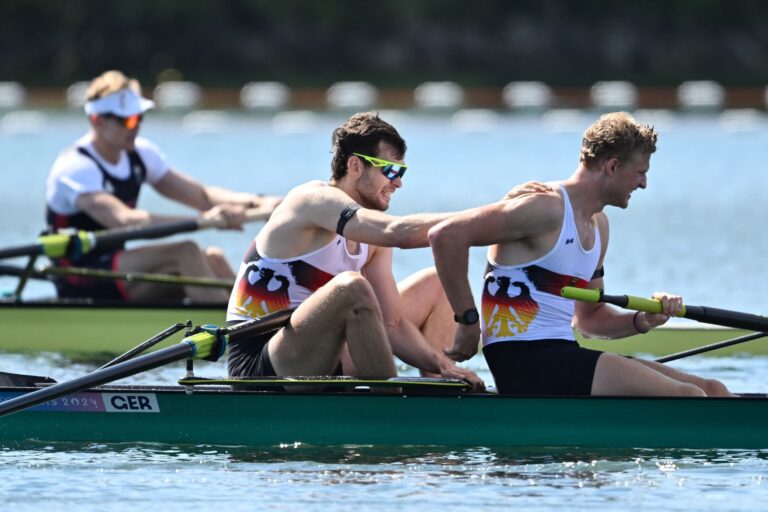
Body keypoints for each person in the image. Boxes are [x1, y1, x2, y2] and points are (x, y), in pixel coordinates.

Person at [428, 111, 733, 397]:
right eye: (640, 172)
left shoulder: (599, 226)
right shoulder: (545, 208)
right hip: (521, 360)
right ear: (612, 166)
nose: (643, 183)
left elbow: (589, 320)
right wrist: (468, 322)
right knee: (689, 397)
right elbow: (446, 236)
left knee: (712, 388)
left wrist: (644, 320)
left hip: (562, 354)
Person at [226, 111, 533, 388]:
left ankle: (441, 394)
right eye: (389, 171)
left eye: (402, 172)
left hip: (323, 353)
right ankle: (392, 407)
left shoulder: (371, 239)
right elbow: (397, 232)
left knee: (435, 283)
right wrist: (500, 214)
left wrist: (442, 364)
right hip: (263, 360)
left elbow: (393, 325)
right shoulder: (310, 200)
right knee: (351, 287)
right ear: (355, 165)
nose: (398, 183)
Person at [45, 70, 281, 303]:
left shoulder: (139, 154)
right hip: (78, 275)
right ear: (97, 120)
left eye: (139, 117)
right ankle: (237, 332)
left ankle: (261, 321)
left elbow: (202, 196)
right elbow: (123, 220)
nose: (134, 126)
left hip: (115, 272)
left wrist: (260, 202)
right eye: (126, 119)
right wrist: (206, 219)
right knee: (185, 252)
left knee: (213, 258)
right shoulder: (75, 166)